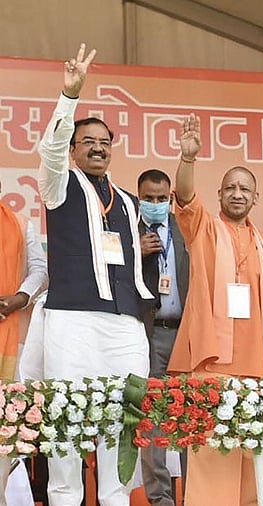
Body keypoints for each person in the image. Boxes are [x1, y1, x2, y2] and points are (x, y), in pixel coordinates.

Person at [31, 44, 155, 506]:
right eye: (88, 142)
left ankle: (115, 498)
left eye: (105, 141)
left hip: (124, 323)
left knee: (121, 420)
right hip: (73, 320)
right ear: (73, 149)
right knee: (66, 418)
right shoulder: (58, 183)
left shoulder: (126, 200)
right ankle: (65, 497)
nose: (98, 147)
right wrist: (70, 95)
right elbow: (49, 150)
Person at [166, 113, 263, 505]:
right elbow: (185, 196)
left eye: (245, 189)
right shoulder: (203, 228)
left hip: (257, 364)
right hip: (212, 361)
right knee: (212, 453)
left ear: (255, 198)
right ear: (220, 195)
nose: (237, 194)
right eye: (230, 188)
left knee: (253, 456)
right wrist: (187, 159)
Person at [136, 168, 190, 506]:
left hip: (185, 332)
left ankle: (195, 495)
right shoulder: (128, 226)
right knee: (152, 417)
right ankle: (160, 500)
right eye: (148, 198)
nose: (155, 204)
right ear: (137, 197)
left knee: (189, 415)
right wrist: (134, 252)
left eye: (161, 198)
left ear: (170, 197)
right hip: (148, 332)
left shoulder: (185, 227)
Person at [0, 180, 48, 505]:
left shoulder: (19, 223)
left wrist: (19, 298)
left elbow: (40, 271)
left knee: (4, 430)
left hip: (8, 338)